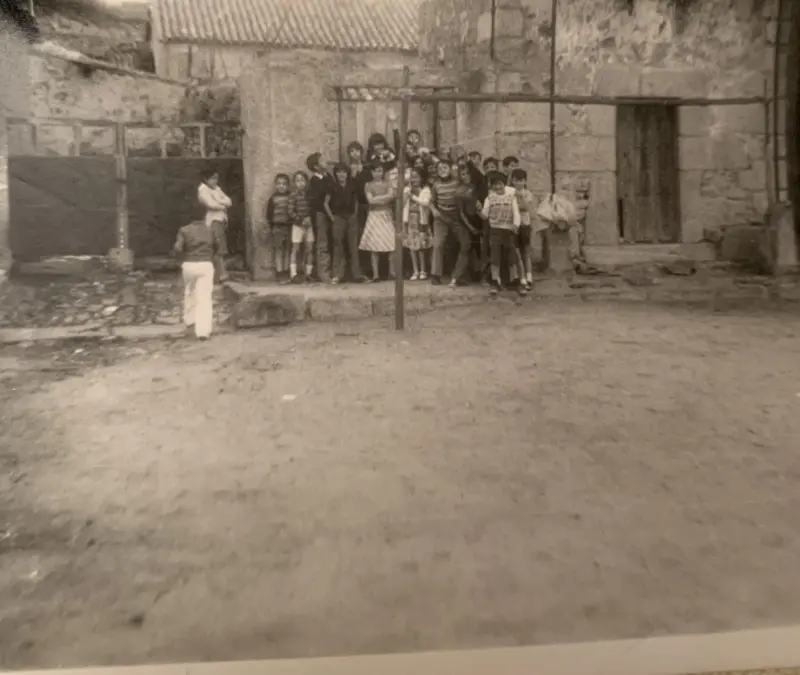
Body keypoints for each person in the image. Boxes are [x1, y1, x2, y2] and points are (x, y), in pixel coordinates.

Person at [172, 211, 225, 340]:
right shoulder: (209, 230)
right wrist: (210, 256)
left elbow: (178, 248)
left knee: (189, 292)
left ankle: (190, 323)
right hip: (205, 265)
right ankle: (203, 332)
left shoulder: (184, 230)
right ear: (203, 217)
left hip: (189, 264)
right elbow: (219, 248)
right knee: (204, 298)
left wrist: (182, 259)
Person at [479, 171, 527, 297]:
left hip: (509, 230)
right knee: (495, 256)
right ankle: (495, 281)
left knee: (512, 256)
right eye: (494, 185)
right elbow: (485, 215)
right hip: (495, 230)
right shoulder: (489, 198)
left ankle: (515, 280)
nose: (497, 187)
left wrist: (516, 225)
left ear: (504, 184)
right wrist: (479, 209)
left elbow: (516, 212)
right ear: (491, 186)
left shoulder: (511, 196)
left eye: (500, 184)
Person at [430, 161, 471, 288]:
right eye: (440, 168)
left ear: (450, 169)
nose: (442, 170)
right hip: (441, 217)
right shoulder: (435, 185)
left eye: (445, 167)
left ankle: (460, 275)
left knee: (464, 243)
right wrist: (434, 211)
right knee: (438, 243)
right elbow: (431, 202)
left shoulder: (457, 182)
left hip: (456, 217)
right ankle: (435, 274)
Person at [324, 163, 363, 284]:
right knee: (338, 246)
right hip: (338, 218)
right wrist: (332, 218)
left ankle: (357, 274)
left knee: (354, 246)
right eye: (339, 172)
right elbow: (326, 203)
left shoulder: (352, 185)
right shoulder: (332, 186)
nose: (341, 175)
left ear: (347, 173)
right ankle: (337, 275)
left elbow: (356, 201)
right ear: (336, 174)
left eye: (344, 172)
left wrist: (354, 215)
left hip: (351, 217)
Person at [359, 161, 396, 282]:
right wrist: (383, 198)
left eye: (380, 170)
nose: (378, 173)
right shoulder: (368, 185)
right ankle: (376, 275)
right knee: (374, 246)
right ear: (372, 172)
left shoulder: (388, 183)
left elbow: (391, 196)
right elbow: (370, 201)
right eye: (375, 171)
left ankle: (392, 272)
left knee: (391, 244)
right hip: (374, 216)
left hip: (386, 215)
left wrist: (378, 199)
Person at [197, 169, 232, 284]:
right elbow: (210, 204)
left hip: (221, 219)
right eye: (212, 178)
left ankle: (219, 274)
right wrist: (221, 203)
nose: (215, 181)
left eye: (216, 178)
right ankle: (220, 274)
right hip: (213, 220)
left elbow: (229, 201)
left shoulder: (217, 189)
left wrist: (220, 202)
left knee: (220, 246)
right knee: (217, 247)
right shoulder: (203, 190)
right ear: (206, 179)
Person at [306, 153, 333, 283]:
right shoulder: (314, 181)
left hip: (331, 214)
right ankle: (323, 273)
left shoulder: (328, 177)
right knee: (322, 243)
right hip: (321, 214)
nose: (326, 162)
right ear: (316, 167)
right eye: (322, 161)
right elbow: (319, 199)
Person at [402, 166, 432, 281]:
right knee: (412, 247)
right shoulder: (407, 189)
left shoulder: (425, 189)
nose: (414, 180)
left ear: (422, 178)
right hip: (410, 220)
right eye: (412, 177)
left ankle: (423, 270)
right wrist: (407, 194)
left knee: (421, 246)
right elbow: (403, 204)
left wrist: (413, 196)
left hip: (421, 220)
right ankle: (415, 270)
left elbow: (425, 203)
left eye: (416, 177)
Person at [457, 163, 483, 283]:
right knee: (469, 247)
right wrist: (470, 226)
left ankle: (481, 272)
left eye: (467, 173)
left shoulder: (477, 187)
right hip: (467, 221)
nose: (466, 176)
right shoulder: (459, 191)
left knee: (480, 247)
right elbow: (461, 212)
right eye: (462, 174)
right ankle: (471, 273)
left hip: (479, 219)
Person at [510, 168, 536, 290]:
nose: (519, 183)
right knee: (516, 251)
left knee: (526, 250)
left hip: (525, 224)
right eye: (516, 180)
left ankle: (529, 275)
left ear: (525, 181)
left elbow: (525, 206)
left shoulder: (527, 193)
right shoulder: (510, 192)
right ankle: (519, 276)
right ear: (512, 181)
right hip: (515, 225)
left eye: (521, 180)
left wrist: (518, 197)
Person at [287, 171, 315, 283]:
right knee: (296, 249)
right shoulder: (293, 196)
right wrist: (300, 220)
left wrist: (309, 218)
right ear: (294, 183)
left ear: (306, 182)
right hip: (297, 226)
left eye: (303, 180)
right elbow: (290, 211)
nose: (300, 183)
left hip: (309, 225)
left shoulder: (310, 195)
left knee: (309, 248)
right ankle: (293, 274)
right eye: (298, 181)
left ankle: (308, 273)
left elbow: (313, 208)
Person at [265, 173, 292, 281]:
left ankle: (286, 271)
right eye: (279, 184)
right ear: (275, 185)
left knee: (287, 250)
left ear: (288, 185)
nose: (281, 186)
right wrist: (271, 227)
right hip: (277, 227)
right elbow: (269, 214)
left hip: (289, 227)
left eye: (284, 184)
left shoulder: (291, 197)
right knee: (278, 250)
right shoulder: (273, 198)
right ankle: (279, 272)